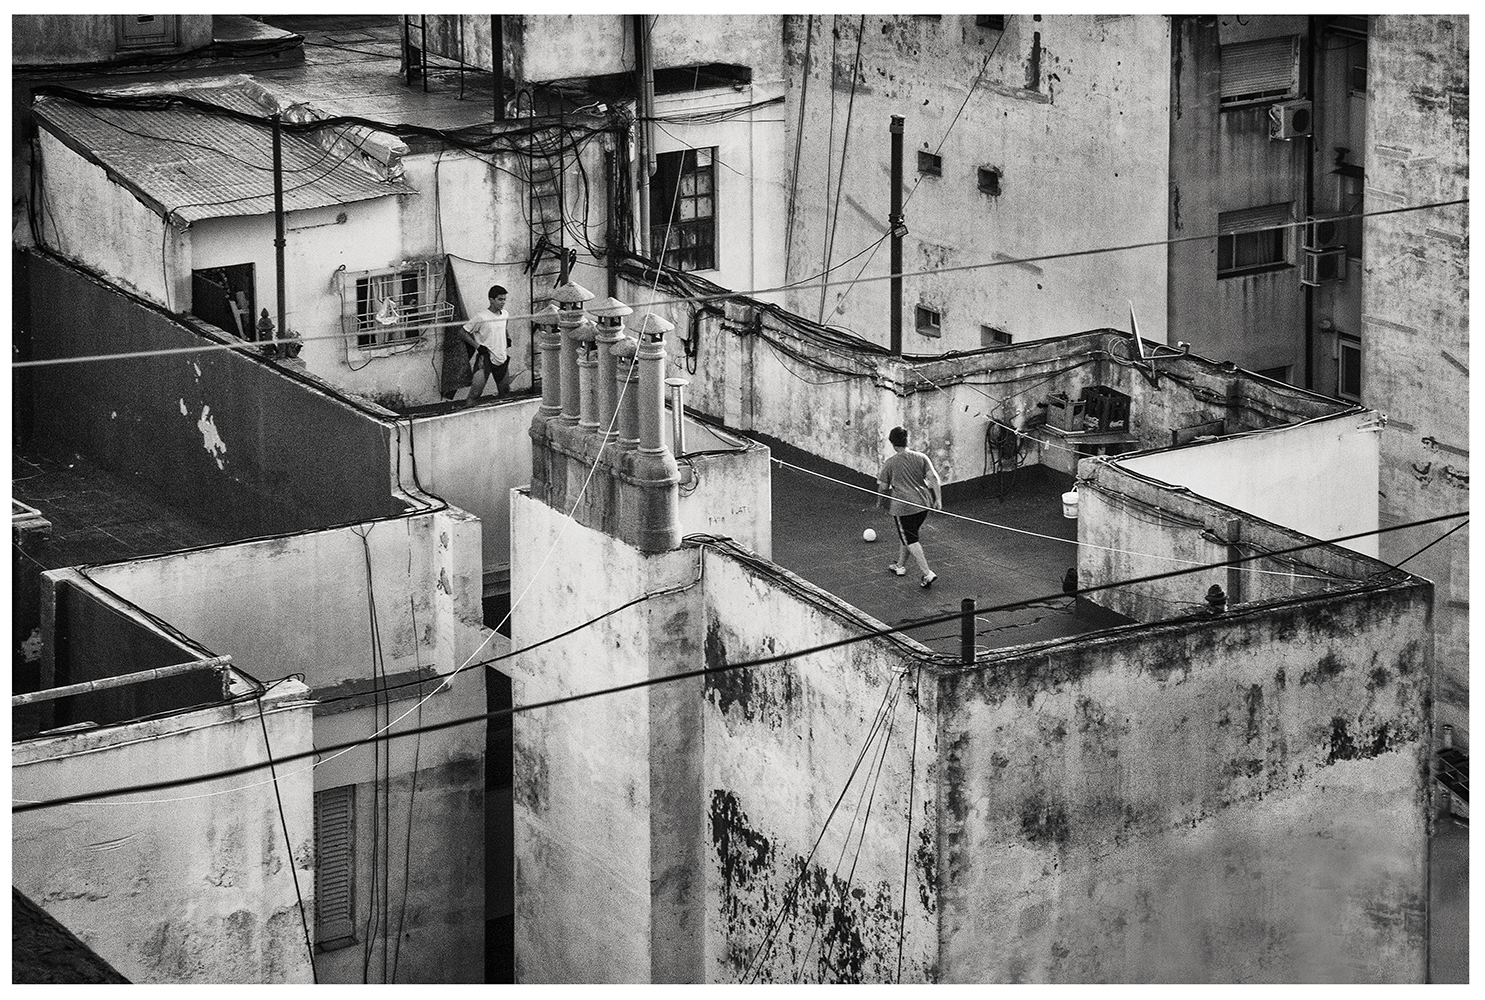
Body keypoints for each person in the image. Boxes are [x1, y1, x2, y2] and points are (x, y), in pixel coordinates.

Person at [876, 426, 942, 588]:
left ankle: (927, 573)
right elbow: (933, 478)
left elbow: (883, 487)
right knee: (906, 535)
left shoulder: (890, 463)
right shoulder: (921, 457)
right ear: (907, 440)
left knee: (910, 538)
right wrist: (938, 499)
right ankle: (900, 566)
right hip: (923, 505)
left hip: (903, 508)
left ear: (892, 443)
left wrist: (879, 502)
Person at [460, 284, 511, 404]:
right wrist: (478, 346)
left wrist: (507, 337)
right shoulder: (481, 317)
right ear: (491, 300)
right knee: (475, 394)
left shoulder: (505, 314)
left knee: (505, 392)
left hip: (501, 356)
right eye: (500, 299)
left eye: (504, 299)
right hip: (486, 357)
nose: (502, 302)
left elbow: (504, 327)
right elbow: (462, 332)